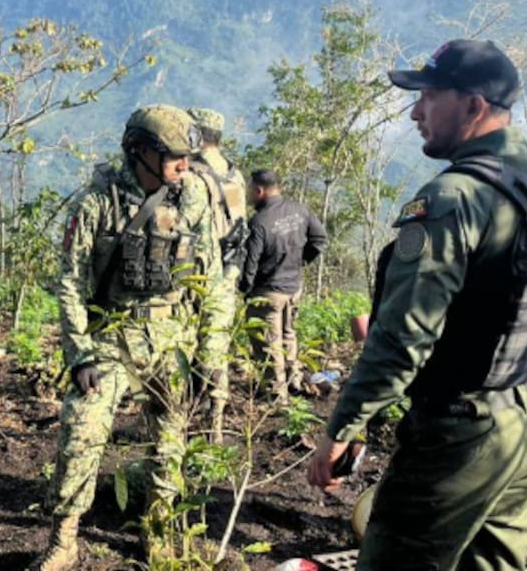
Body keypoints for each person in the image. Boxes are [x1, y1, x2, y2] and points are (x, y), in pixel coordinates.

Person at [306, 39, 527, 571]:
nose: (415, 112)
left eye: (429, 97)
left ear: (473, 106)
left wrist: (342, 429)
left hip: (461, 429)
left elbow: (403, 337)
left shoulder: (454, 199)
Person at [34, 104, 232, 571]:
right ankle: (64, 540)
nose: (184, 165)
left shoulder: (194, 198)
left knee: (169, 441)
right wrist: (80, 355)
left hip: (172, 340)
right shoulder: (97, 202)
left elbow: (214, 282)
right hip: (111, 337)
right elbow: (70, 283)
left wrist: (210, 356)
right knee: (81, 431)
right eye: (174, 156)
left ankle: (157, 530)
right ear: (141, 151)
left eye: (188, 156)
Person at [186, 106, 248, 439]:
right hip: (226, 274)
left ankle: (184, 419)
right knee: (216, 345)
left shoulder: (191, 175)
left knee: (185, 344)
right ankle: (215, 423)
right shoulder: (234, 175)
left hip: (193, 276)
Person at [240, 169, 328, 401]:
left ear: (259, 191)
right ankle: (293, 382)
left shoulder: (258, 222)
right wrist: (299, 262)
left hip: (268, 291)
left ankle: (276, 395)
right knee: (288, 335)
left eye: (250, 190)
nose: (249, 194)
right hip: (293, 287)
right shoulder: (300, 210)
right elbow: (319, 240)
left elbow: (250, 264)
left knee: (268, 344)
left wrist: (245, 290)